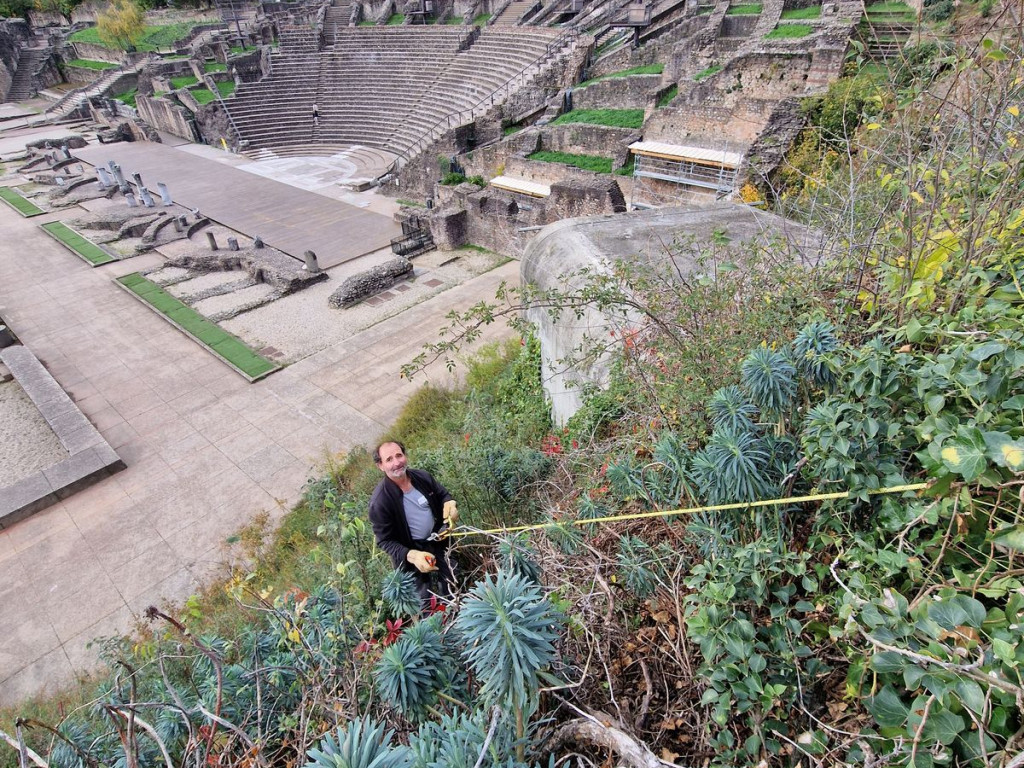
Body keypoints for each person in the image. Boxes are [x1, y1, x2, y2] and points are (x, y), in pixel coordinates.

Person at [368, 440, 459, 607]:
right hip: (411, 552)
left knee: (452, 581)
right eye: (389, 459)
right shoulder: (380, 502)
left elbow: (443, 495)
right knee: (423, 600)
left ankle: (455, 609)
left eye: (399, 455)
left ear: (405, 456)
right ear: (380, 465)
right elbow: (385, 541)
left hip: (438, 539)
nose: (396, 463)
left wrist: (450, 503)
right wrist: (413, 555)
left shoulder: (422, 477)